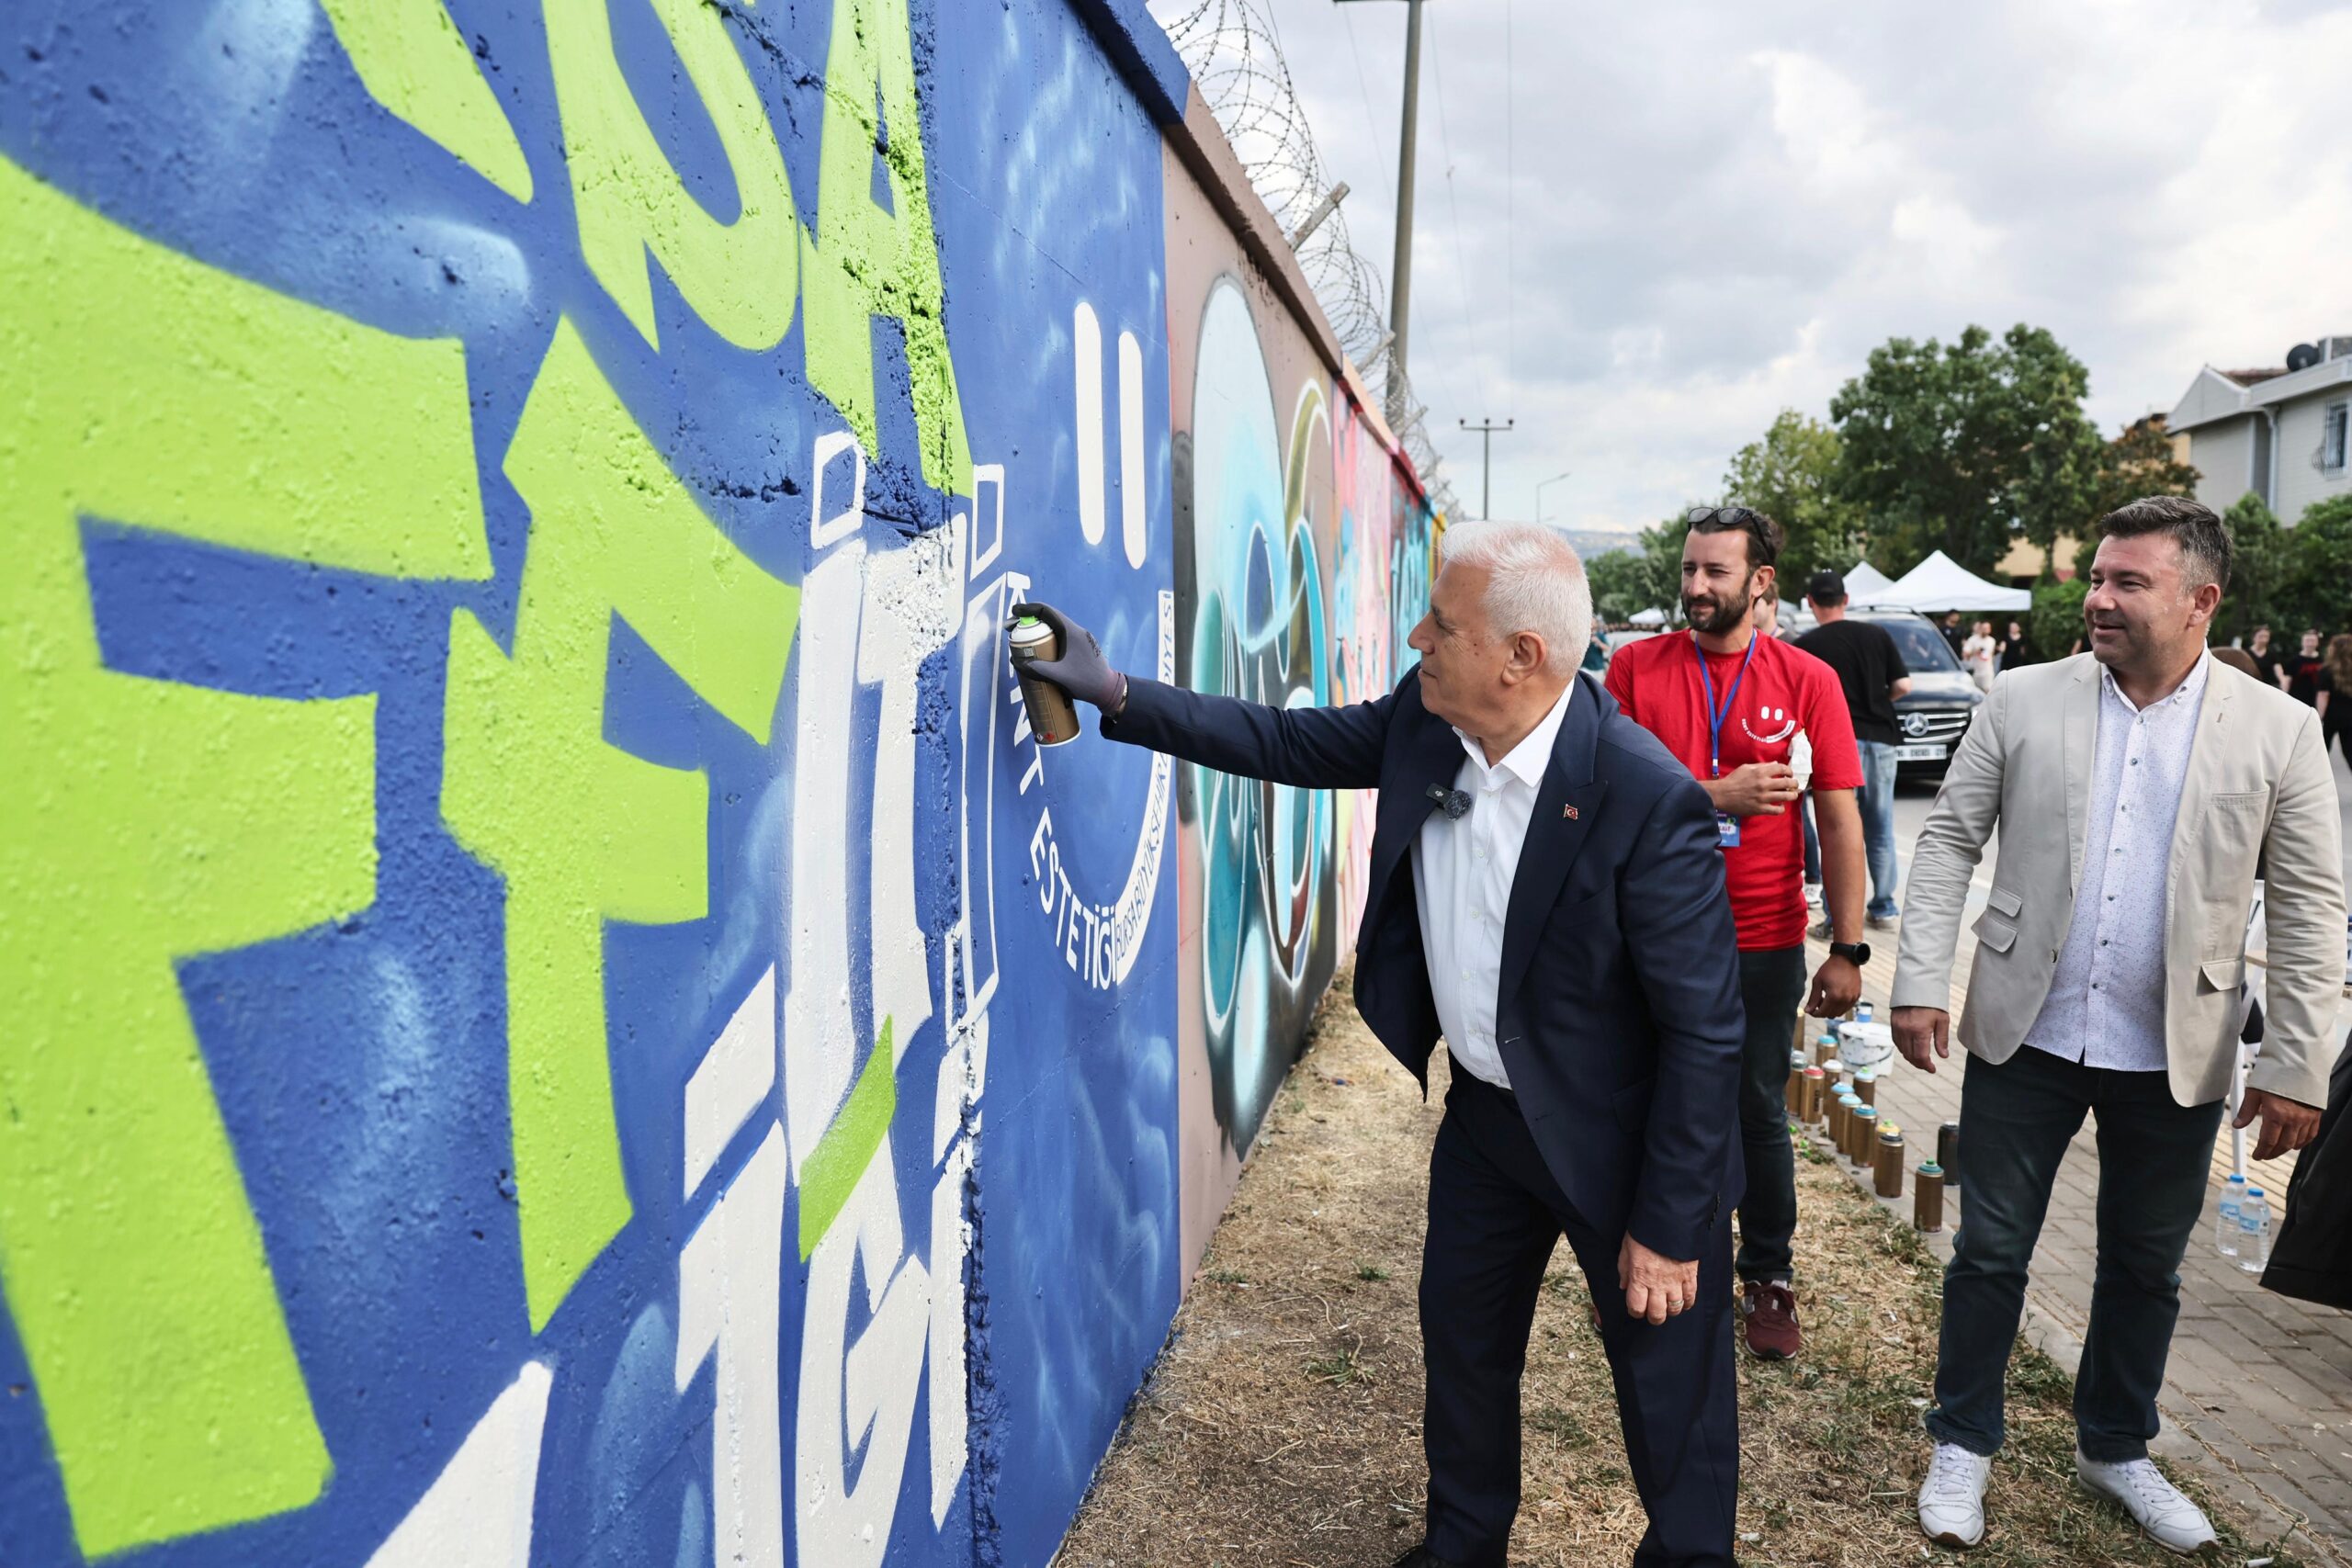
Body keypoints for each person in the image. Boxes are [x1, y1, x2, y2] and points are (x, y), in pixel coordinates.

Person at [1013, 521, 1747, 1568]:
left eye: (1441, 626)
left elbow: (1704, 1031)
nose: (1417, 639)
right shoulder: (1428, 719)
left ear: (1521, 658)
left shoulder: (1642, 798)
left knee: (1667, 1387)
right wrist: (1121, 694)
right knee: (1462, 1346)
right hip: (1490, 1124)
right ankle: (1462, 1543)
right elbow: (1287, 742)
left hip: (1622, 1141)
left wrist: (1671, 1226)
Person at [1889, 497, 2346, 1554]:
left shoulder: (2279, 729)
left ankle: (2116, 1445)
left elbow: (2313, 906)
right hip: (2024, 1032)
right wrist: (1917, 980)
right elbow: (1950, 840)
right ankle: (1961, 1441)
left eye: (2125, 582)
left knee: (2144, 1266)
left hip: (2174, 1051)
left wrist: (2298, 1068)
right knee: (1990, 1252)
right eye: (2096, 577)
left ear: (2200, 601)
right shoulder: (2025, 699)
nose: (2095, 598)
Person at [1606, 507, 1868, 1362]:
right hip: (1648, 929)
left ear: (1761, 583)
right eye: (1688, 569)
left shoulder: (1804, 679)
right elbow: (1603, 788)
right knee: (1642, 1092)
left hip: (1761, 937)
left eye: (1715, 572)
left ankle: (1768, 1274)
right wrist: (1715, 794)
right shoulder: (1637, 668)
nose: (1694, 588)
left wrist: (1849, 945)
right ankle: (1648, 1256)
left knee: (1755, 1105)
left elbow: (1840, 817)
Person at [1796, 570, 1911, 931]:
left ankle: (1834, 918)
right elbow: (1904, 685)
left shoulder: (1805, 645)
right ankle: (1884, 908)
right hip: (1881, 738)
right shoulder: (1877, 634)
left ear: (1811, 602)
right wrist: (1877, 701)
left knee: (1838, 828)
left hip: (1836, 743)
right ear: (1845, 600)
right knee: (1880, 829)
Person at [2320, 632, 2350, 762]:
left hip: (2331, 716)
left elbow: (2323, 695)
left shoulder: (2327, 670)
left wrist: (2319, 717)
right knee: (2350, 752)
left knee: (2321, 750)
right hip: (2350, 717)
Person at [2287, 627, 2324, 705]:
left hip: (2316, 699)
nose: (2310, 644)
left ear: (2317, 643)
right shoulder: (2294, 660)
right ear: (2302, 642)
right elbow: (2287, 680)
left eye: (2313, 641)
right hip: (2296, 699)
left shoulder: (2322, 660)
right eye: (2307, 641)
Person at [1961, 619, 1997, 693]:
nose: (1985, 630)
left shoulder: (1992, 641)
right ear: (1980, 628)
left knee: (1988, 691)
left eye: (1987, 628)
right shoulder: (1972, 640)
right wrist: (1975, 652)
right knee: (1975, 692)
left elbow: (1991, 654)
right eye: (1984, 628)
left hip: (1987, 671)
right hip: (1975, 671)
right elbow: (1964, 654)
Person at [2246, 624, 2286, 692]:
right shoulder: (2245, 653)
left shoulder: (2272, 654)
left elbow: (2278, 670)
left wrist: (2283, 681)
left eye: (2266, 637)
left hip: (2266, 688)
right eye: (2261, 636)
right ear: (2254, 637)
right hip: (2249, 686)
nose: (2264, 640)